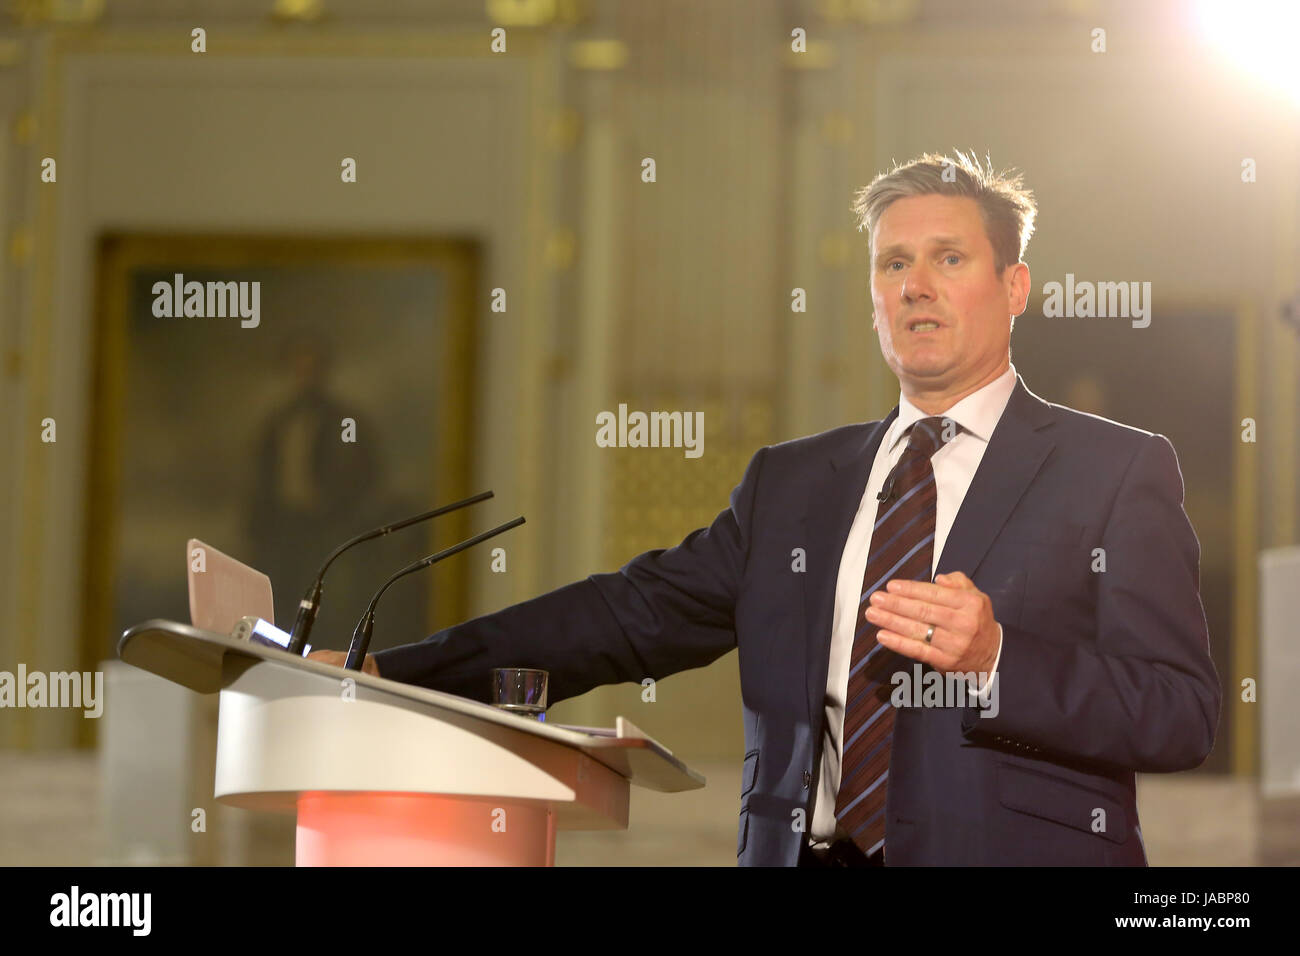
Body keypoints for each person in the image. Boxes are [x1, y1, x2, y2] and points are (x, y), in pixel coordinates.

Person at [311, 150, 1221, 866]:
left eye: (950, 258)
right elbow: (623, 617)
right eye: (893, 263)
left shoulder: (1115, 470)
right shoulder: (795, 484)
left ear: (1014, 288)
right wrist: (396, 672)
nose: (915, 286)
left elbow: (1179, 713)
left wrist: (998, 658)